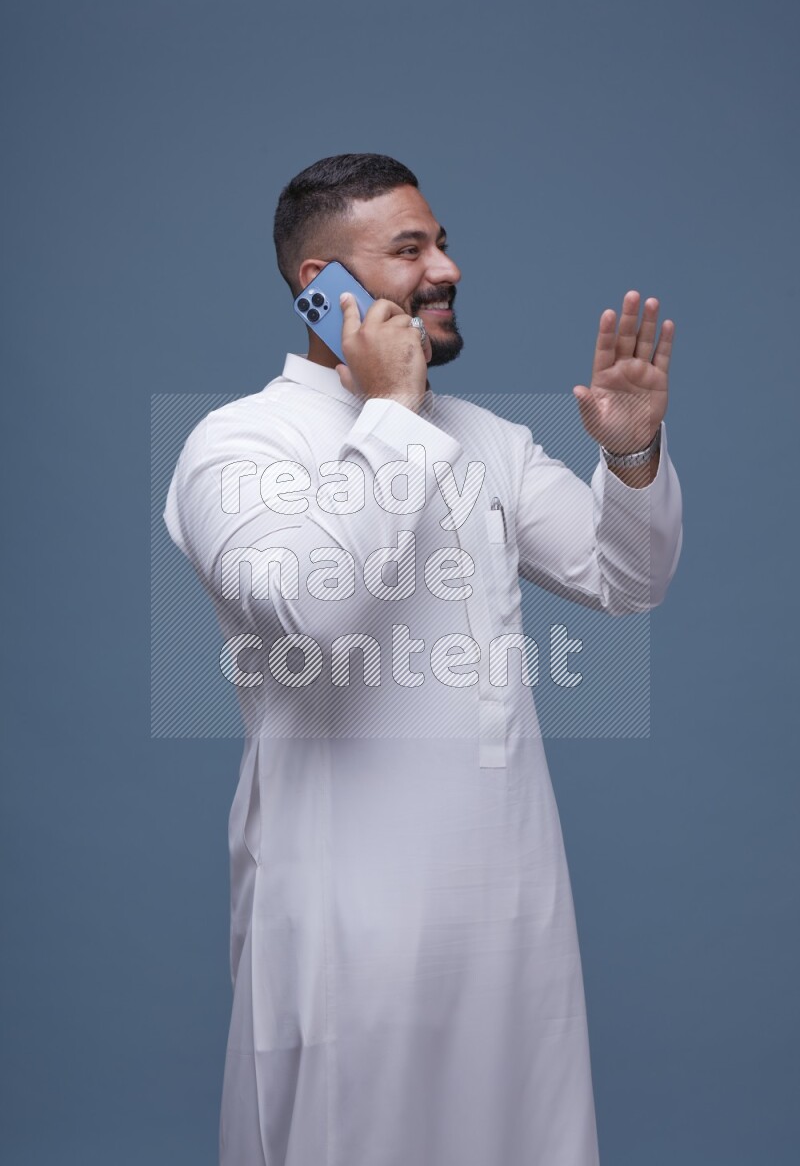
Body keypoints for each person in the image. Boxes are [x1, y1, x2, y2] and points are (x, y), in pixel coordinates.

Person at [163, 152, 682, 1165]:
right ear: (321, 287)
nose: (445, 269)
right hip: (347, 910)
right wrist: (392, 414)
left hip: (514, 907)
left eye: (441, 243)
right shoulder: (238, 446)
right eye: (409, 250)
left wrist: (628, 455)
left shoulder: (485, 439)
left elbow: (627, 578)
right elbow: (311, 614)